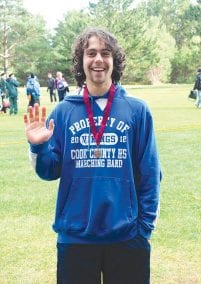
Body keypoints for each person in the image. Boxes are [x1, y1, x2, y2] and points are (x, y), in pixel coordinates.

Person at [24, 27, 162, 284]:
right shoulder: (63, 112)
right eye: (91, 53)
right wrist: (39, 148)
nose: (98, 59)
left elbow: (150, 173)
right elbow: (49, 171)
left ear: (114, 61)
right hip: (76, 237)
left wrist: (144, 229)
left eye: (105, 53)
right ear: (81, 61)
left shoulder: (137, 110)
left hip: (127, 236)